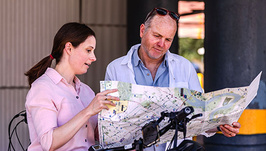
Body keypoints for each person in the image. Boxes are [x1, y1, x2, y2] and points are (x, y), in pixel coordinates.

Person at [105, 7, 241, 151]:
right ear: (142, 30)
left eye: (168, 39)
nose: (161, 44)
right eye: (157, 36)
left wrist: (220, 125)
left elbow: (199, 115)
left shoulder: (185, 67)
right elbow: (109, 123)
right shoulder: (115, 69)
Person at [25, 22, 119, 151]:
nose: (94, 57)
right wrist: (88, 111)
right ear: (69, 48)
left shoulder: (87, 91)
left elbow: (100, 137)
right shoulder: (42, 88)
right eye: (88, 50)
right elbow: (49, 143)